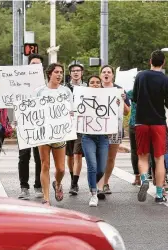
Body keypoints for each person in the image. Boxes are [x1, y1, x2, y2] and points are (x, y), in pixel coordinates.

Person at [132, 51, 168, 204]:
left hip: (141, 121)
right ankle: (159, 194)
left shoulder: (141, 76)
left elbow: (135, 97)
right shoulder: (166, 79)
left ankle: (143, 179)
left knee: (142, 156)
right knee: (159, 158)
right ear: (163, 63)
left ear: (150, 61)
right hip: (158, 122)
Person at [36, 63, 73, 205]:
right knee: (45, 165)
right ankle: (46, 199)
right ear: (49, 74)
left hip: (60, 133)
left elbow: (71, 110)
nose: (59, 75)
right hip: (44, 133)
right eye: (56, 72)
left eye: (61, 72)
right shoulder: (39, 91)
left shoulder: (66, 91)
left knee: (61, 168)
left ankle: (57, 183)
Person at [98, 65, 130, 195]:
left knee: (111, 158)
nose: (106, 74)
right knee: (99, 157)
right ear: (100, 75)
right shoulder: (95, 88)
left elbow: (127, 112)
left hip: (115, 128)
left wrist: (122, 101)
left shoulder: (119, 90)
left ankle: (105, 182)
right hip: (99, 128)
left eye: (109, 72)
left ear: (112, 75)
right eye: (104, 72)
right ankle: (98, 183)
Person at [81, 76, 112, 207]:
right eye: (92, 82)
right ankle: (93, 193)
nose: (95, 84)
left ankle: (95, 185)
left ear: (101, 84)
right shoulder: (81, 98)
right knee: (92, 166)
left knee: (101, 169)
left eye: (97, 82)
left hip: (103, 137)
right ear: (88, 85)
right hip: (88, 137)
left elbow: (119, 112)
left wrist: (117, 103)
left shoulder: (107, 97)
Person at [17, 53, 44, 200]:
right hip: (24, 124)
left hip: (40, 125)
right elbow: (8, 96)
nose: (35, 66)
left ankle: (38, 186)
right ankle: (24, 187)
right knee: (23, 157)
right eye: (33, 63)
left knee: (39, 157)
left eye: (38, 64)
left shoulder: (46, 84)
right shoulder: (18, 81)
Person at [65, 61, 86, 195]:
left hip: (81, 125)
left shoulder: (87, 87)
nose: (76, 72)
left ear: (82, 73)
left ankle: (74, 183)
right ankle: (72, 176)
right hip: (67, 125)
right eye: (73, 71)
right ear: (70, 73)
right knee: (70, 154)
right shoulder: (64, 88)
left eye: (78, 70)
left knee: (77, 153)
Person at [127, 89, 140, 186]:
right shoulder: (131, 92)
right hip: (137, 123)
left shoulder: (132, 92)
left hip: (135, 123)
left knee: (135, 151)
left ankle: (138, 177)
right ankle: (138, 176)